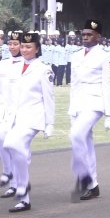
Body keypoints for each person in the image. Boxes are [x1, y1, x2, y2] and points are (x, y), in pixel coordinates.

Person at [2, 32, 55, 212]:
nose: (24, 50)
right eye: (22, 46)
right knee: (15, 149)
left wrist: (50, 124)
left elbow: (49, 98)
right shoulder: (15, 68)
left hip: (33, 118)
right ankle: (24, 199)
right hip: (15, 118)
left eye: (28, 47)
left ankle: (22, 185)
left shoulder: (44, 69)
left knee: (12, 144)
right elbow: (10, 96)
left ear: (37, 49)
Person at [69, 19, 110, 202]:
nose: (86, 37)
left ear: (98, 37)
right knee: (85, 142)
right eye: (84, 34)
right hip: (79, 104)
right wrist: (72, 107)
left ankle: (83, 174)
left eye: (90, 35)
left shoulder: (106, 56)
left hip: (95, 104)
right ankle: (92, 185)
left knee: (76, 135)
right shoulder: (76, 56)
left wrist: (109, 114)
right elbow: (74, 84)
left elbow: (108, 85)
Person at [0, 31, 23, 199]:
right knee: (2, 141)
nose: (12, 47)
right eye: (10, 44)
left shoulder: (26, 64)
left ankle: (16, 183)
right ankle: (8, 173)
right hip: (5, 110)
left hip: (20, 111)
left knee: (14, 146)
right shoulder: (4, 64)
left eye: (16, 44)